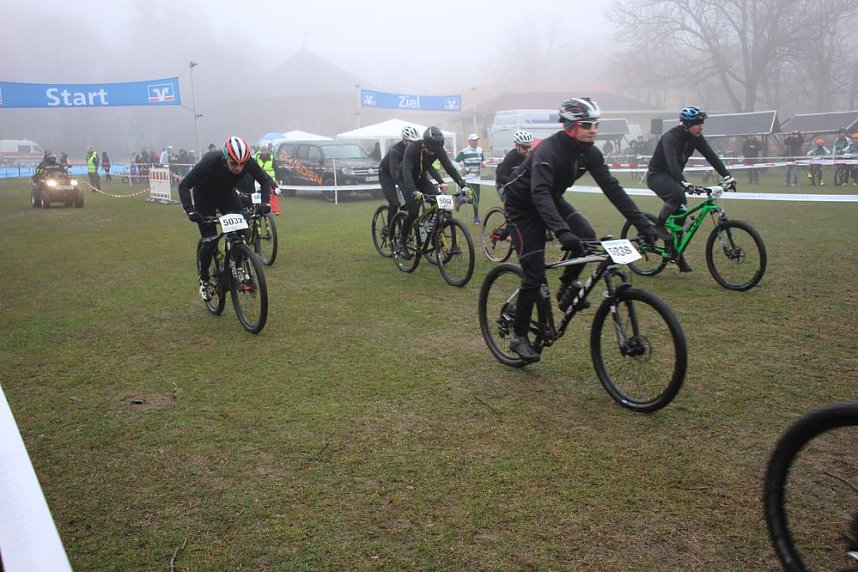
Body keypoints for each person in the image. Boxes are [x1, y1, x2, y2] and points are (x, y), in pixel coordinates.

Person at [500, 97, 660, 363]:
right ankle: (518, 336)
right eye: (586, 124)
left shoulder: (590, 153)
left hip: (552, 198)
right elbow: (538, 193)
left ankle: (565, 289)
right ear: (570, 126)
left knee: (586, 237)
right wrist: (562, 231)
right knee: (534, 274)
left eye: (596, 124)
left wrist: (645, 225)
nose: (593, 130)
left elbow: (613, 189)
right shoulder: (548, 151)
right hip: (522, 207)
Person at [178, 136, 276, 301]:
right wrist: (190, 210)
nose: (238, 168)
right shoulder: (210, 161)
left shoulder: (248, 162)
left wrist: (265, 203)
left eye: (242, 164)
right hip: (204, 197)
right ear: (225, 159)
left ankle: (236, 267)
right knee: (210, 241)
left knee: (242, 232)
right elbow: (184, 185)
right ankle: (204, 279)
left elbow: (265, 180)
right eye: (234, 164)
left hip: (227, 195)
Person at [646, 106, 734, 273]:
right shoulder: (671, 137)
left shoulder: (696, 138)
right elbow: (671, 160)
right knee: (677, 194)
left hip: (674, 177)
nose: (700, 126)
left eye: (701, 123)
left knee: (681, 215)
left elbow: (711, 156)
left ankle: (676, 254)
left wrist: (727, 175)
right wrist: (683, 181)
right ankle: (659, 225)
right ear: (686, 124)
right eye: (696, 123)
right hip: (657, 176)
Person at [397, 126, 469, 258]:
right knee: (413, 211)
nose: (432, 153)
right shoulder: (412, 148)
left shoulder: (438, 150)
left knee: (443, 206)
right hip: (405, 179)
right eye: (430, 150)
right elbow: (406, 171)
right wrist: (413, 191)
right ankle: (402, 241)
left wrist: (462, 184)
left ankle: (436, 236)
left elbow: (449, 168)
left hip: (421, 178)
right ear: (424, 144)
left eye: (435, 151)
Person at [378, 125, 421, 234]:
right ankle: (390, 229)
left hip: (401, 173)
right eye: (410, 142)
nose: (413, 144)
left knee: (412, 200)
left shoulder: (414, 150)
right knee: (394, 203)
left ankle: (403, 218)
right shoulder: (395, 151)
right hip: (387, 175)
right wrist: (405, 187)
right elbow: (394, 173)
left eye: (415, 142)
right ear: (404, 141)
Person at [455, 133, 486, 224]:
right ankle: (476, 218)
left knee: (477, 199)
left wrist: (483, 163)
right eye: (474, 140)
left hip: (478, 178)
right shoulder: (465, 151)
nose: (476, 142)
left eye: (477, 140)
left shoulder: (480, 150)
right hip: (469, 178)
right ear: (469, 141)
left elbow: (482, 160)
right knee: (475, 197)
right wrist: (461, 169)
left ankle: (462, 200)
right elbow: (454, 162)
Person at [255, 145, 280, 215]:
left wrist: (277, 179)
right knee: (257, 195)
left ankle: (276, 210)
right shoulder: (257, 158)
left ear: (267, 151)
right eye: (262, 151)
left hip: (270, 180)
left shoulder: (272, 158)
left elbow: (276, 169)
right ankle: (258, 208)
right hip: (259, 179)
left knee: (273, 195)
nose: (264, 153)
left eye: (265, 151)